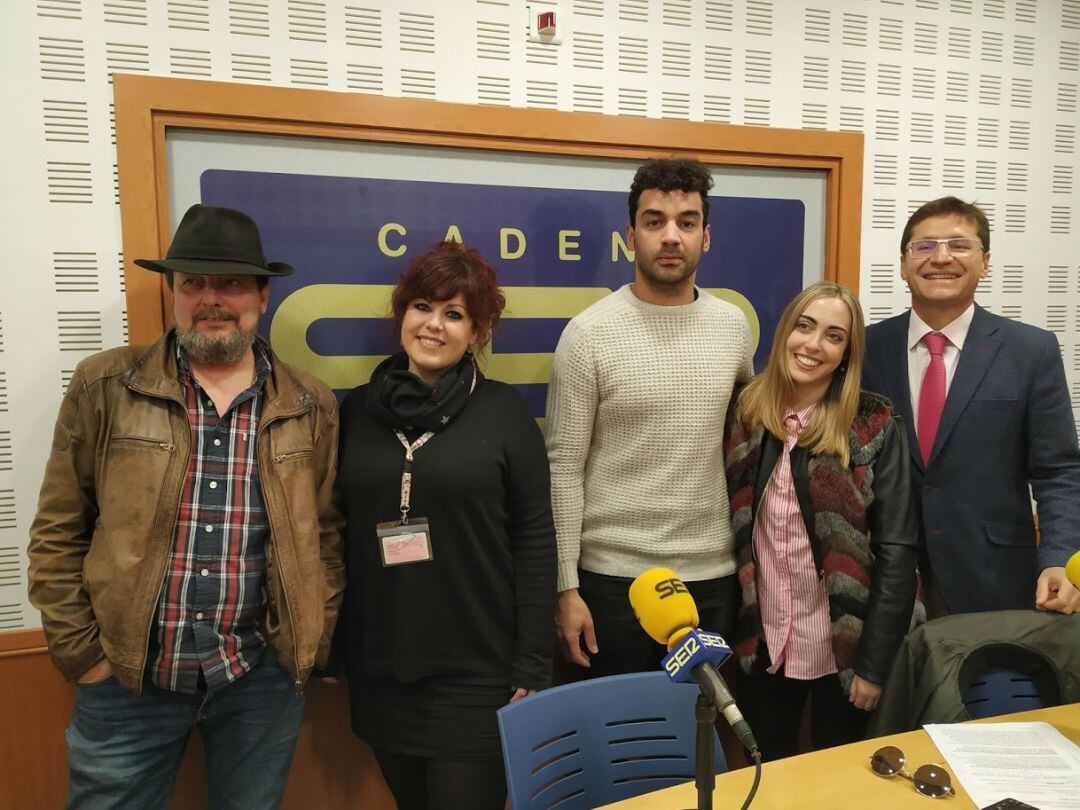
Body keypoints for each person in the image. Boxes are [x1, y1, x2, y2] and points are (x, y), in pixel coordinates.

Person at [27, 204, 345, 809]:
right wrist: (83, 654)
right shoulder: (106, 386)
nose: (211, 299)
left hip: (259, 679)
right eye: (192, 283)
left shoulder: (310, 403)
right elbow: (58, 530)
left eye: (229, 283)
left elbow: (326, 534)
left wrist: (311, 638)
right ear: (172, 292)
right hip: (126, 679)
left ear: (262, 295)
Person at [336, 241, 556, 810]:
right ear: (401, 314)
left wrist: (534, 659)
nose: (434, 325)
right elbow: (333, 533)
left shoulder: (505, 414)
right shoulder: (354, 412)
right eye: (422, 307)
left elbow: (535, 540)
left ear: (478, 331)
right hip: (384, 665)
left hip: (479, 670)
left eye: (454, 314)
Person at [547, 157, 755, 677]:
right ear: (630, 234)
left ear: (705, 237)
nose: (670, 236)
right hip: (611, 583)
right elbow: (563, 467)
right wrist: (564, 587)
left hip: (712, 579)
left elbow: (745, 448)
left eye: (686, 222)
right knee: (617, 745)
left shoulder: (733, 328)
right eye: (654, 221)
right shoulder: (588, 334)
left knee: (701, 741)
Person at [724, 281, 921, 761]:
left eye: (833, 336)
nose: (813, 345)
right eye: (805, 326)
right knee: (766, 774)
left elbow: (897, 550)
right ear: (785, 331)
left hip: (846, 648)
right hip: (764, 645)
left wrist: (873, 666)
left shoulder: (872, 425)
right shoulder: (747, 414)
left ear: (846, 354)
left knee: (842, 776)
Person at [863, 196, 1080, 617]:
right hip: (884, 581)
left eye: (959, 245)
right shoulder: (867, 348)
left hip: (994, 580)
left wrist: (1059, 558)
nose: (940, 257)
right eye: (924, 246)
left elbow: (1060, 471)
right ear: (904, 264)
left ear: (985, 262)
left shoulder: (1030, 350)